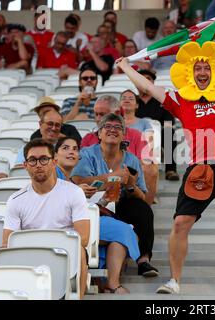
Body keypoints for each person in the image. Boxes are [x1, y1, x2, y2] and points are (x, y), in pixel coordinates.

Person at [117, 15, 215, 295]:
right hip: (199, 167)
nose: (202, 71)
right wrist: (125, 66)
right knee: (181, 222)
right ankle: (175, 280)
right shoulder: (182, 99)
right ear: (190, 73)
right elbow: (148, 88)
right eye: (197, 68)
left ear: (214, 70)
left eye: (206, 67)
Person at [72, 113, 159, 278]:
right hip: (95, 203)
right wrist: (112, 177)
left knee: (143, 209)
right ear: (99, 133)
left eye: (118, 127)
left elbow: (143, 196)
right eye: (108, 127)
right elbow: (78, 180)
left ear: (124, 134)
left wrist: (131, 185)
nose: (113, 130)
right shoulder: (87, 154)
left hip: (122, 201)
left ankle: (143, 260)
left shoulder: (132, 160)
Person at [2, 139, 90, 299]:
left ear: (54, 162)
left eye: (44, 159)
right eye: (32, 160)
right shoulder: (15, 200)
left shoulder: (74, 192)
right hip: (30, 256)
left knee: (81, 251)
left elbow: (83, 238)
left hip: (65, 253)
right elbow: (7, 242)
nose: (38, 164)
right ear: (25, 165)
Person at [54, 136, 140, 294]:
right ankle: (113, 284)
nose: (71, 152)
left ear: (79, 157)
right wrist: (77, 191)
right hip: (66, 225)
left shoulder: (70, 180)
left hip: (81, 222)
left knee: (120, 234)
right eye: (65, 148)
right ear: (54, 156)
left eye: (74, 149)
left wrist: (104, 201)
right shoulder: (53, 174)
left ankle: (106, 281)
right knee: (124, 231)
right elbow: (50, 202)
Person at [136, 69, 179, 181]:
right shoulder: (131, 100)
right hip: (136, 134)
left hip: (158, 134)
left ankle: (171, 170)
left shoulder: (162, 101)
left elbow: (169, 122)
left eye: (148, 79)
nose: (144, 81)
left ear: (153, 83)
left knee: (169, 133)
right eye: (141, 79)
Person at [120, 89, 159, 205]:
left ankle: (145, 204)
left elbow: (149, 145)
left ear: (137, 105)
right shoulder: (114, 122)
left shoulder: (144, 123)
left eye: (131, 98)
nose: (127, 100)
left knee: (150, 167)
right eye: (124, 98)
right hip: (117, 160)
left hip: (138, 159)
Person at [80, 95, 147, 160]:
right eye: (96, 114)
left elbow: (150, 168)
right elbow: (83, 168)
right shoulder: (88, 139)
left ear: (117, 113)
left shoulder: (137, 136)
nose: (98, 119)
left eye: (102, 114)